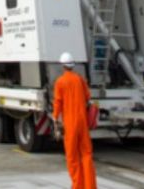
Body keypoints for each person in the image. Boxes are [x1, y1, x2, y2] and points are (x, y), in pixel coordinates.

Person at [52, 52, 97, 189]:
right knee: (86, 154)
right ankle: (90, 186)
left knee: (72, 157)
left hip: (70, 123)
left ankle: (77, 186)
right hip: (82, 122)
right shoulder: (80, 79)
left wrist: (55, 118)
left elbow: (58, 102)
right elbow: (88, 99)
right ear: (72, 65)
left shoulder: (60, 82)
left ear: (63, 66)